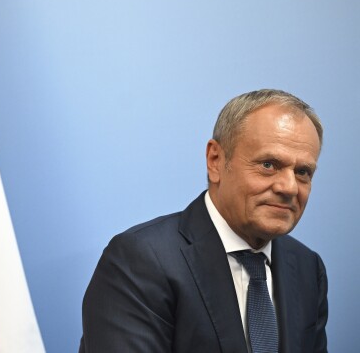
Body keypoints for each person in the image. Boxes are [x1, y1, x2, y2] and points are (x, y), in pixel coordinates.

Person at [79, 89, 328, 353]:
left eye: (302, 172)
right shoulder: (141, 260)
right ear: (216, 161)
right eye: (268, 164)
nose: (289, 187)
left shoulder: (307, 267)